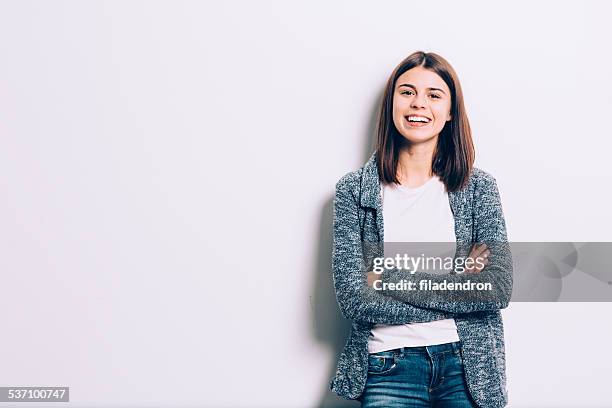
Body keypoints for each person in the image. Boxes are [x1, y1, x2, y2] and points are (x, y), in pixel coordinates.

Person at [329, 51, 513, 407]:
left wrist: (386, 278)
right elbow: (354, 299)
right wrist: (458, 282)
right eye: (407, 92)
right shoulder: (353, 191)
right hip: (388, 366)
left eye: (434, 95)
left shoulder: (479, 189)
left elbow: (496, 290)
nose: (419, 104)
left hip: (467, 366)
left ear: (450, 112)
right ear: (392, 104)